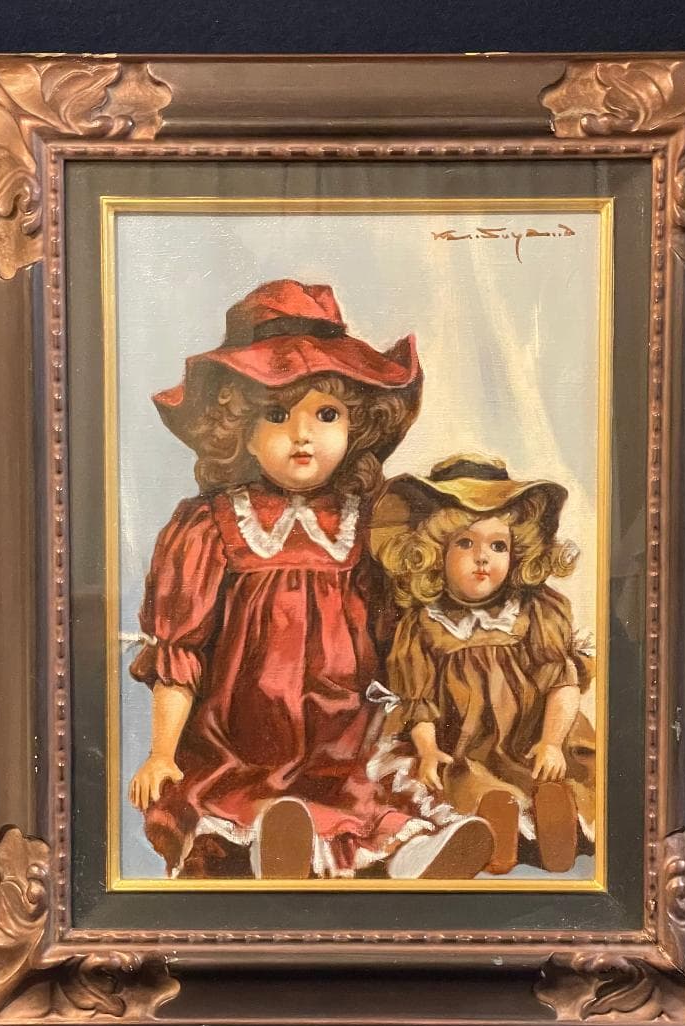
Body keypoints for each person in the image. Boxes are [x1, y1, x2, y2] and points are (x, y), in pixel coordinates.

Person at [127, 280, 493, 881]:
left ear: (357, 425)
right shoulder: (210, 525)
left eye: (326, 415)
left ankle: (408, 853)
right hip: (243, 734)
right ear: (239, 430)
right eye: (277, 415)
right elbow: (180, 648)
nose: (303, 434)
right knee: (234, 792)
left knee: (369, 786)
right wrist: (161, 753)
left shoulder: (372, 523)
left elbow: (397, 634)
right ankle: (275, 841)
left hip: (349, 727)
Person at [369, 453, 596, 874]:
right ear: (433, 552)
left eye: (498, 546)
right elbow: (419, 703)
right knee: (467, 781)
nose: (482, 558)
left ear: (517, 552)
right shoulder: (424, 623)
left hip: (531, 736)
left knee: (557, 774)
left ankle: (558, 821)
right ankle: (496, 829)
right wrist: (428, 749)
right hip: (462, 745)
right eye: (465, 543)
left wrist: (551, 740)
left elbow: (561, 683)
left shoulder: (537, 612)